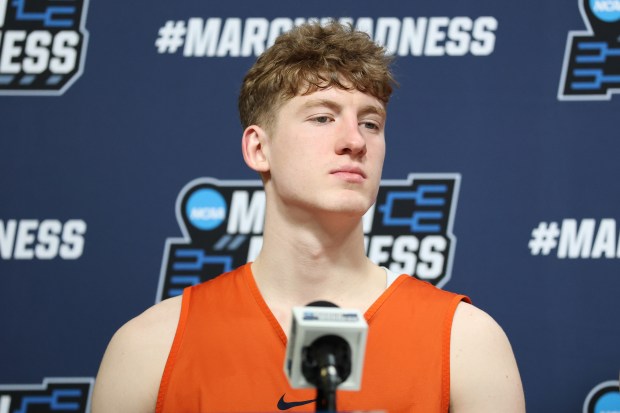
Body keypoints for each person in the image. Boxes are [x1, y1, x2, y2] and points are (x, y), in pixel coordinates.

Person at [92, 21, 526, 413]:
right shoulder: (151, 346)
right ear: (258, 149)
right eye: (322, 117)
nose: (354, 140)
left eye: (371, 123)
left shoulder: (465, 341)